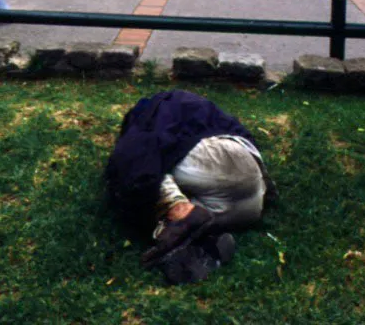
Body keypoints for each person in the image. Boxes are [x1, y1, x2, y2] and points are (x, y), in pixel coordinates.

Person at [105, 90, 276, 284]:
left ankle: (179, 211)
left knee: (134, 163)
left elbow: (135, 160)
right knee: (163, 166)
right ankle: (202, 238)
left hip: (219, 164)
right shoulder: (200, 111)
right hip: (251, 201)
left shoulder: (149, 113)